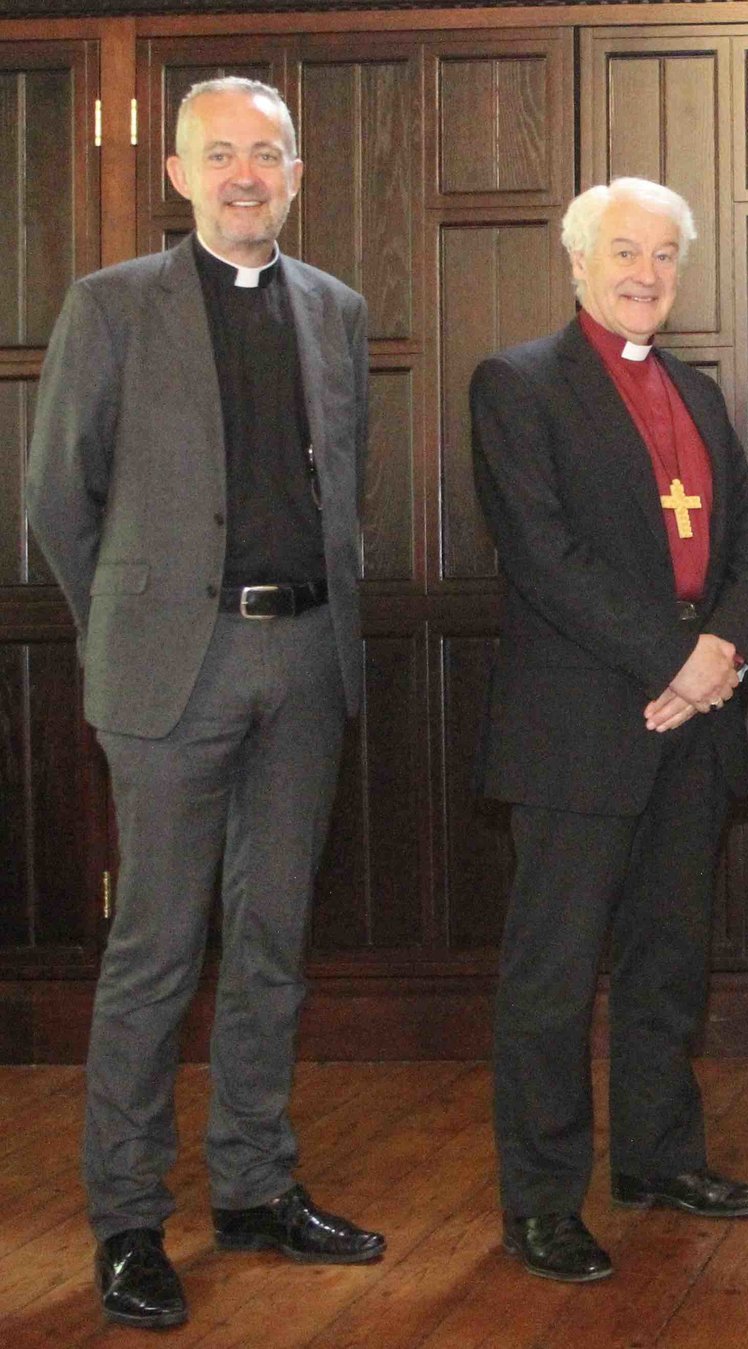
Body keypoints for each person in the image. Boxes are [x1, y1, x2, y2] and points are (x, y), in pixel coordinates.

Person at [26, 76, 383, 1330]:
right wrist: (132, 628)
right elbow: (58, 504)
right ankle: (128, 1219)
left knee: (274, 941)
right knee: (156, 952)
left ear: (297, 173)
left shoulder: (335, 311)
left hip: (307, 666)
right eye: (220, 155)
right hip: (172, 674)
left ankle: (252, 1184)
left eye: (267, 155)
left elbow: (347, 489)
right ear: (177, 174)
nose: (245, 175)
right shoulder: (112, 306)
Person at [471, 177, 748, 1282]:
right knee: (551, 977)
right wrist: (677, 658)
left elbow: (747, 547)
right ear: (578, 263)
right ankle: (541, 1200)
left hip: (693, 722)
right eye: (624, 253)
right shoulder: (517, 383)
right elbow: (543, 555)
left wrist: (721, 656)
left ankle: (658, 1156)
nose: (644, 273)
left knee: (667, 960)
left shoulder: (699, 389)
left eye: (663, 256)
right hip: (579, 725)